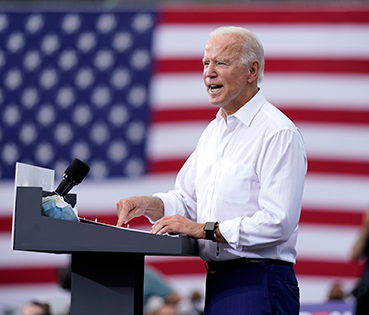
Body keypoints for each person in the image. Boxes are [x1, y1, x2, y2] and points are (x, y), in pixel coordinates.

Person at [116, 26, 307, 314]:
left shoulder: (277, 133)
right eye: (206, 63)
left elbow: (278, 222)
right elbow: (186, 201)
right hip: (218, 283)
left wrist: (205, 230)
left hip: (260, 282)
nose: (209, 72)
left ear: (251, 71)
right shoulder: (213, 133)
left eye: (221, 63)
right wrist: (148, 204)